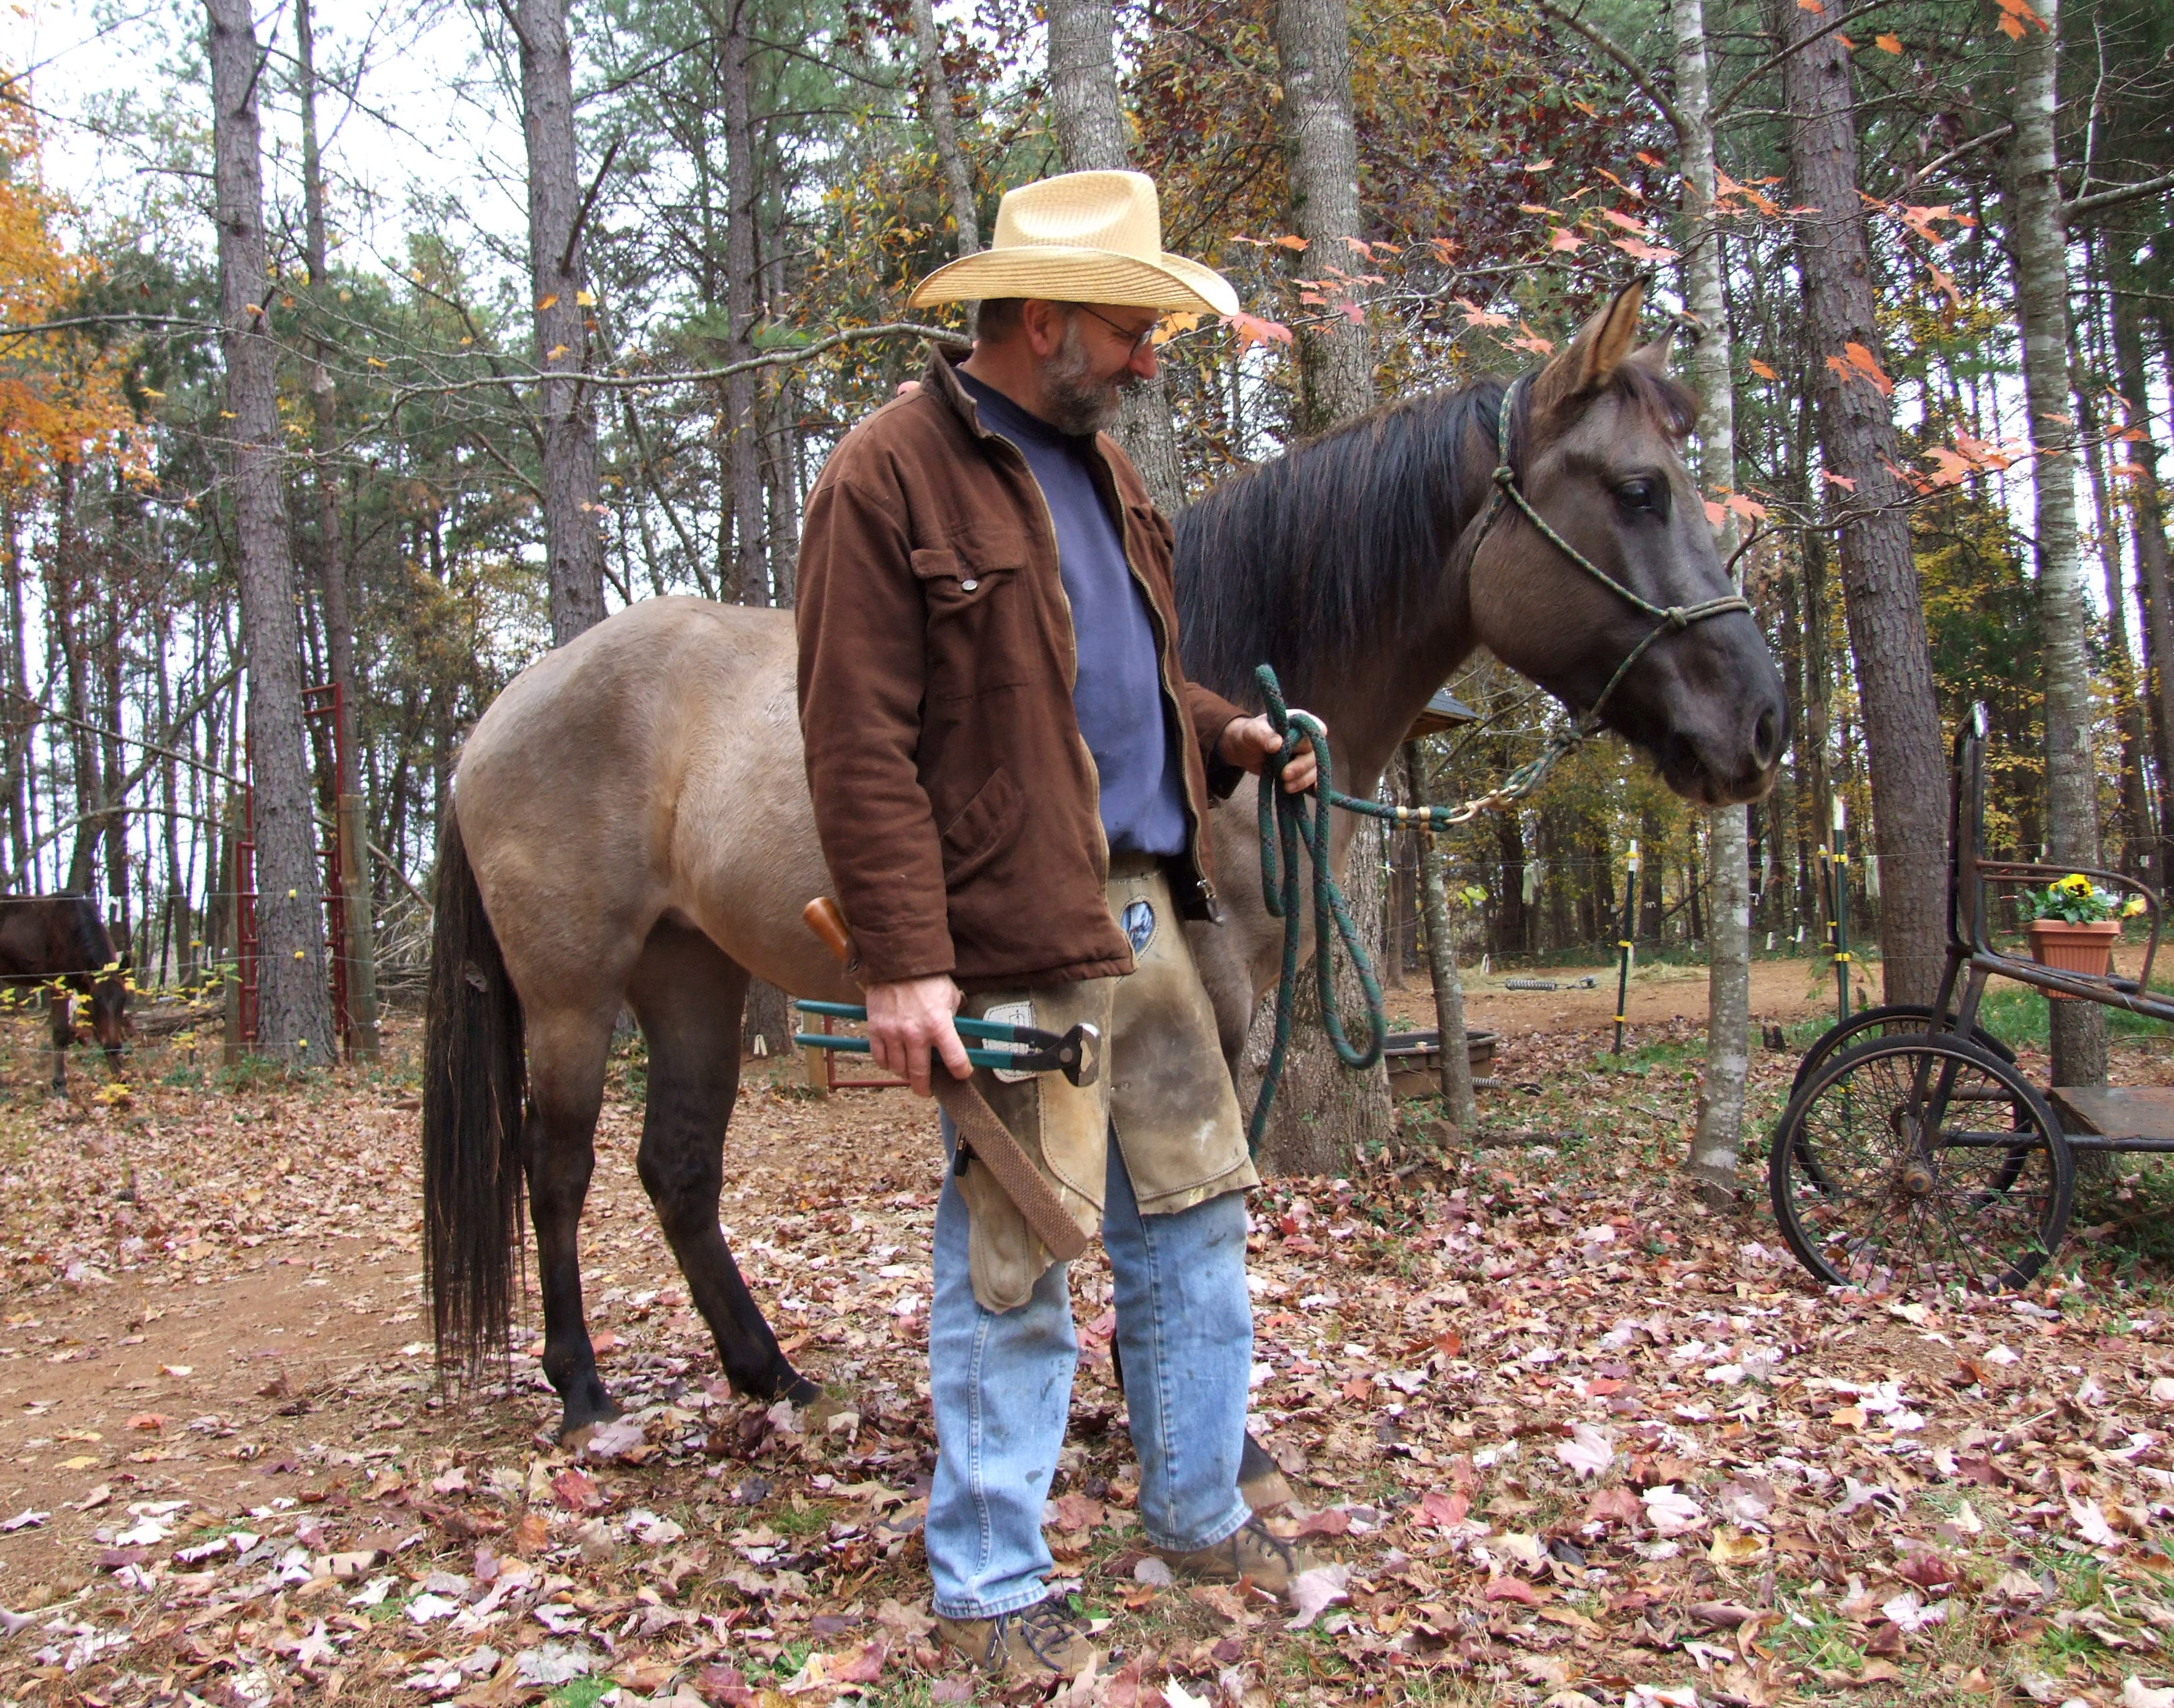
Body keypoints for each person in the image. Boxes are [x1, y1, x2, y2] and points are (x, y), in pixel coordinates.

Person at [795, 169, 1324, 1686]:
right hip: (1014, 936)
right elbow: (856, 743)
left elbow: (1119, 689)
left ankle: (1197, 1508)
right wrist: (905, 959)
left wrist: (1227, 736)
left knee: (1196, 1228)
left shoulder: (1105, 479)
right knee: (1016, 1262)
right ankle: (990, 1579)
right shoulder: (886, 475)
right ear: (1045, 325)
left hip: (1152, 920)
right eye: (1133, 331)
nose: (1155, 361)